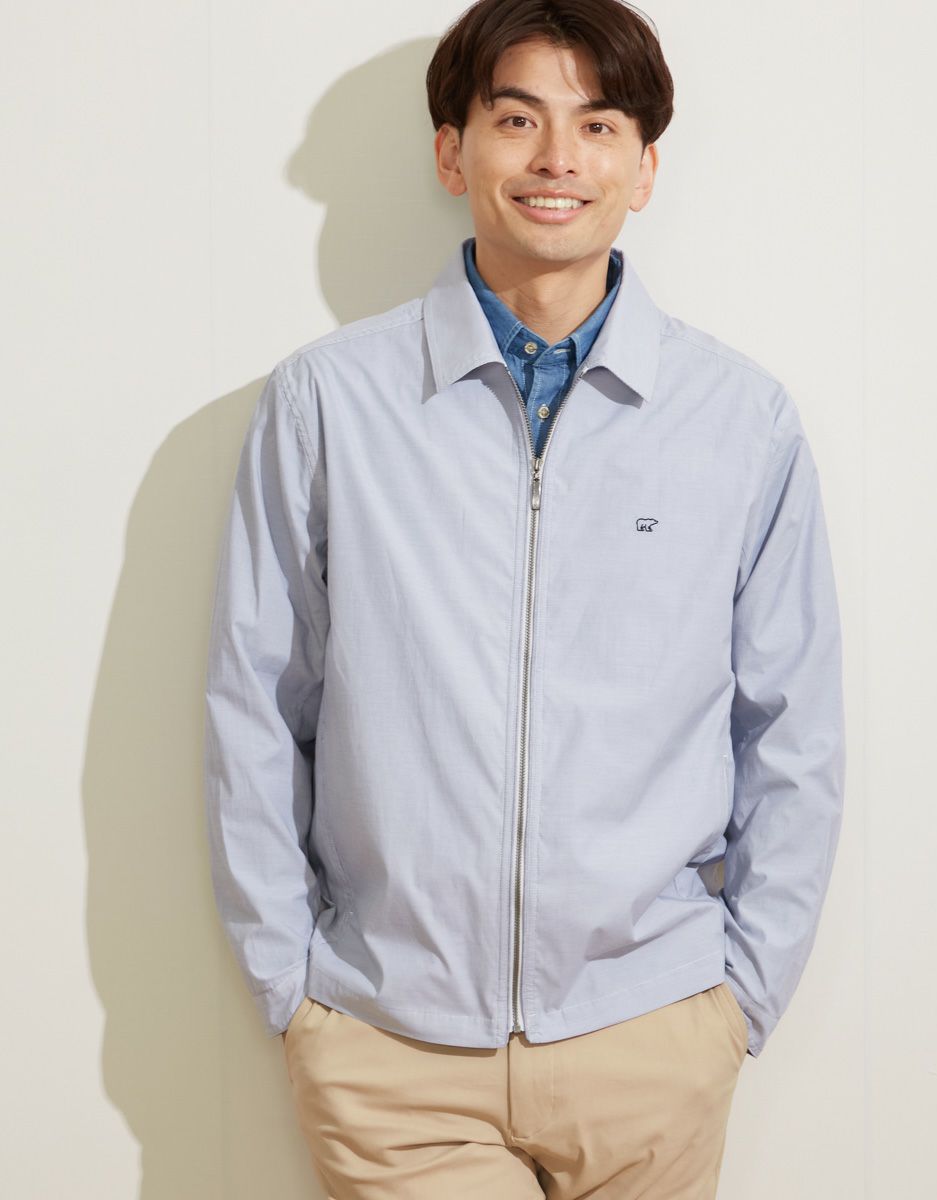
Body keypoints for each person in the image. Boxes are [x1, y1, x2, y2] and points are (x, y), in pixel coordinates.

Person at [202, 1, 846, 1195]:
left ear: (644, 167)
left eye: (597, 126)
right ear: (452, 152)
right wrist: (294, 990)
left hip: (652, 1036)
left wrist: (738, 1000)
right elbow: (256, 705)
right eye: (517, 120)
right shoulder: (329, 403)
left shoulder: (740, 422)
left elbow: (792, 730)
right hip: (392, 1048)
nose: (558, 159)